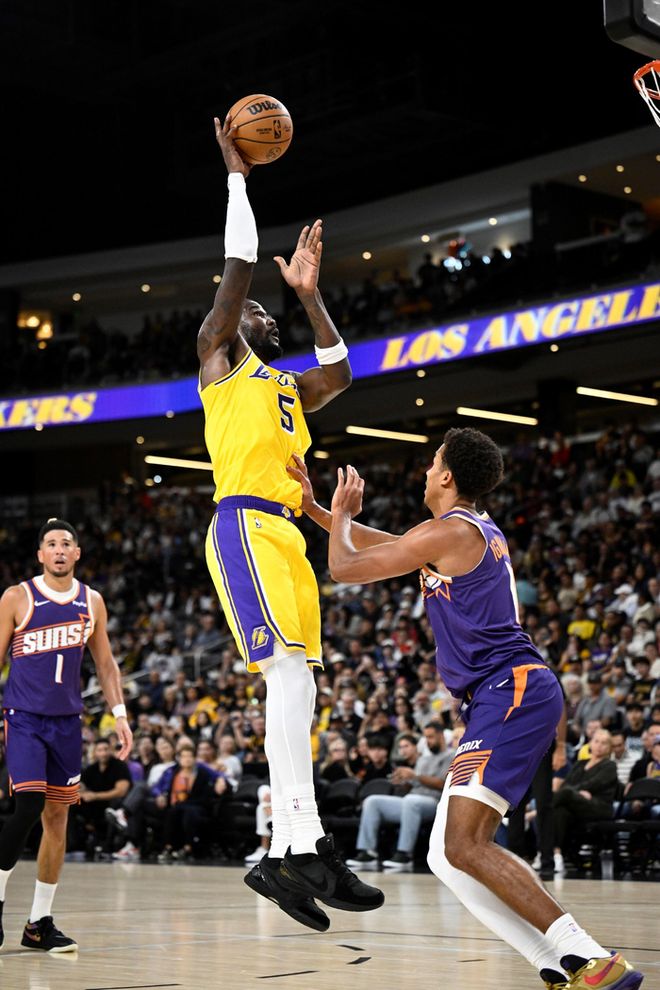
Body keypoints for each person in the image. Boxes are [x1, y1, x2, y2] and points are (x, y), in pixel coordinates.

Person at [288, 428, 643, 990]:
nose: (426, 472)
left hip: (511, 690)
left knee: (464, 844)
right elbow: (387, 546)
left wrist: (342, 512)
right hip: (502, 696)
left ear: (448, 476)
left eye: (433, 463)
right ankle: (560, 965)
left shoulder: (452, 530)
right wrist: (316, 510)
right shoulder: (458, 531)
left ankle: (591, 957)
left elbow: (347, 568)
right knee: (444, 854)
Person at [197, 113, 382, 932]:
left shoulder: (286, 387)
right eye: (260, 312)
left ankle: (292, 848)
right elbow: (238, 265)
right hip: (243, 524)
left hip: (288, 534)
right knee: (284, 677)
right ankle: (297, 844)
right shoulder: (220, 357)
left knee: (299, 683)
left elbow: (339, 371)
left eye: (273, 316)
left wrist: (311, 298)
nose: (263, 315)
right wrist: (238, 176)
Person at [0, 519, 133, 951]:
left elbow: (106, 664)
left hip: (67, 723)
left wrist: (120, 714)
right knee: (28, 804)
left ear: (77, 553)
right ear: (41, 554)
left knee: (58, 819)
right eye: (51, 544)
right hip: (24, 717)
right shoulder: (17, 597)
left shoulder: (91, 601)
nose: (59, 550)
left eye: (66, 544)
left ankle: (38, 924)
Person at [347, 723, 453, 872]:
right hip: (412, 801)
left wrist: (415, 776)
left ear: (441, 736)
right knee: (372, 801)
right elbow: (414, 784)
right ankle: (368, 853)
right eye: (426, 737)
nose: (428, 741)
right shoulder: (423, 759)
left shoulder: (451, 755)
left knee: (410, 801)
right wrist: (403, 781)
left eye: (431, 737)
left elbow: (443, 784)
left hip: (435, 802)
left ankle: (405, 855)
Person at [552, 729, 618, 873]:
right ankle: (557, 855)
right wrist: (578, 793)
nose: (599, 745)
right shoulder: (580, 764)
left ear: (609, 748)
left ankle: (538, 812)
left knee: (566, 794)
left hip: (599, 806)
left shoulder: (610, 766)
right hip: (575, 805)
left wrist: (574, 792)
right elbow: (565, 784)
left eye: (604, 743)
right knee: (560, 812)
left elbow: (594, 784)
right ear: (590, 743)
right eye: (596, 741)